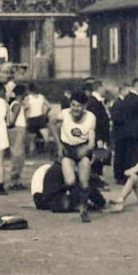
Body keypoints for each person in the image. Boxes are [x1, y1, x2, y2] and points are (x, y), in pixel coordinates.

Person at [52, 91, 96, 223]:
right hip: (68, 148)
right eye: (73, 105)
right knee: (70, 181)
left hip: (83, 148)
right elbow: (51, 123)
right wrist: (58, 144)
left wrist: (88, 148)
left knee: (84, 181)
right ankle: (70, 198)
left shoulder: (91, 117)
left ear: (85, 107)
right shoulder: (64, 114)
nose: (76, 109)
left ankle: (83, 208)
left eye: (79, 106)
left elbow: (92, 141)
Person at [111, 78, 138, 184]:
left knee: (127, 155)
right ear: (137, 86)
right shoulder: (137, 99)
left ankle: (126, 176)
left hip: (126, 131)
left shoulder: (126, 99)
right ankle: (132, 176)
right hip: (135, 132)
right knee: (133, 155)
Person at [31, 160, 106, 212]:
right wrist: (101, 202)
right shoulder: (64, 168)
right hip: (53, 201)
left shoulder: (56, 167)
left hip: (44, 197)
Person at [85, 80, 111, 183]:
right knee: (97, 157)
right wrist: (99, 137)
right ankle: (95, 179)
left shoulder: (98, 101)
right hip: (97, 135)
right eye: (103, 88)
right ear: (99, 88)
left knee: (99, 157)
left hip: (101, 135)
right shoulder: (94, 102)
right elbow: (96, 122)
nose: (105, 90)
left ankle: (98, 178)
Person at [8, 84, 28, 190]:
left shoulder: (19, 104)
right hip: (17, 129)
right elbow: (13, 120)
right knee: (17, 155)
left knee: (20, 156)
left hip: (20, 129)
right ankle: (13, 180)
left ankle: (17, 180)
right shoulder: (16, 105)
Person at [24, 83, 51, 156]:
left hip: (31, 119)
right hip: (41, 118)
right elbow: (49, 106)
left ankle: (32, 155)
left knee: (32, 141)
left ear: (29, 90)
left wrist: (25, 119)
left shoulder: (28, 98)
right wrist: (45, 114)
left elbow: (25, 108)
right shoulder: (41, 97)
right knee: (46, 139)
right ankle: (47, 153)